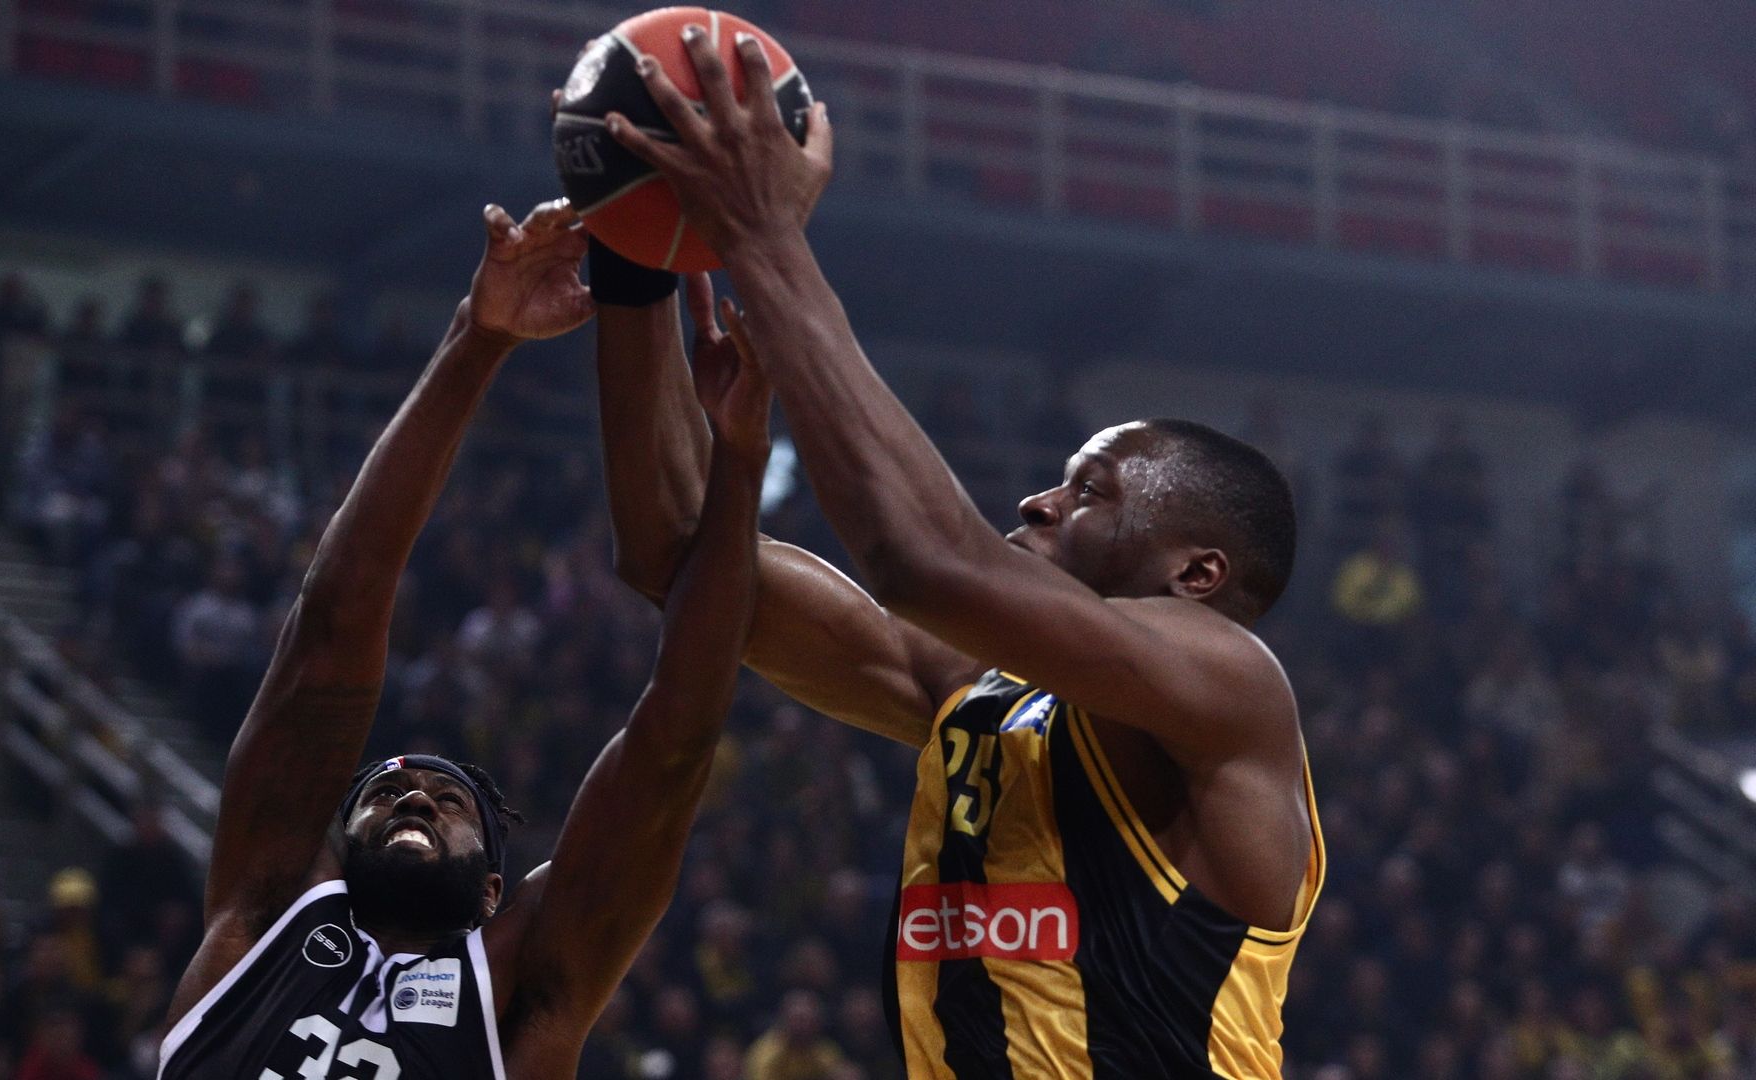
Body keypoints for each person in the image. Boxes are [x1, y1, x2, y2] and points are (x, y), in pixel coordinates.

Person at [594, 29, 1322, 1077]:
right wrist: (632, 252)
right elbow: (679, 561)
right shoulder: (975, 695)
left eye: (1090, 492)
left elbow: (926, 561)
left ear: (1195, 574)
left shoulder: (1231, 684)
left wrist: (761, 235)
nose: (1038, 500)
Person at [158, 199, 773, 1078]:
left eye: (448, 806)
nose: (413, 798)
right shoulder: (262, 918)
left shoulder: (521, 1000)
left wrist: (739, 463)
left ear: (492, 890)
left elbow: (674, 742)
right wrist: (475, 338)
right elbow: (332, 620)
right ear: (334, 851)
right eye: (384, 794)